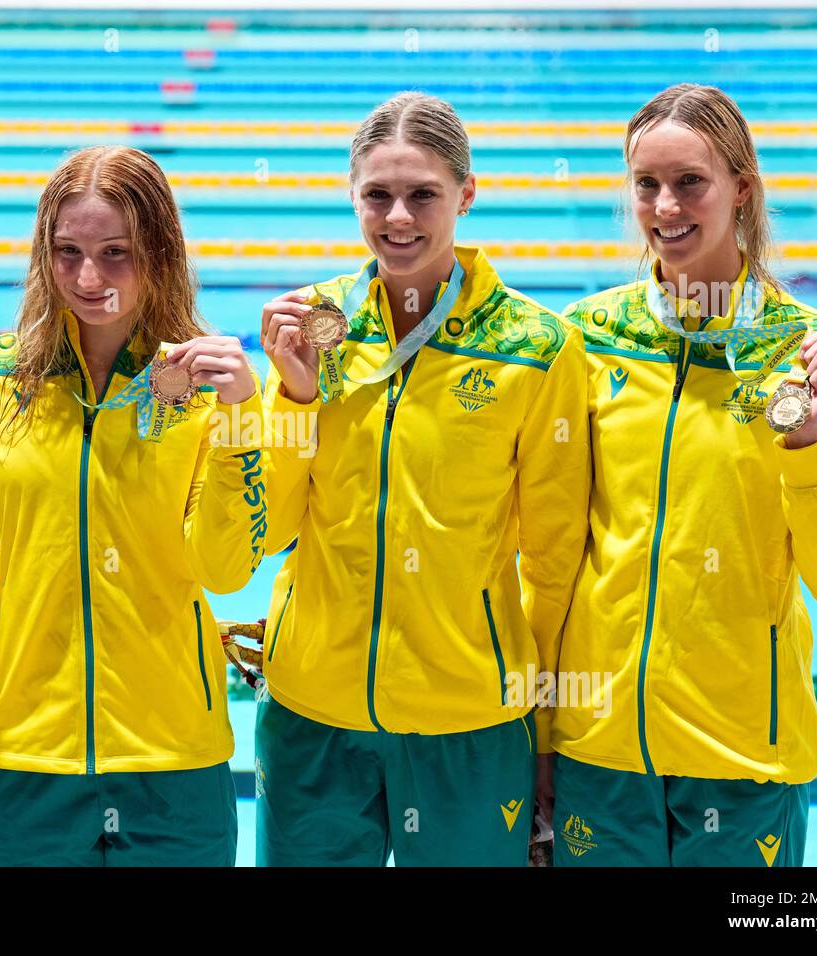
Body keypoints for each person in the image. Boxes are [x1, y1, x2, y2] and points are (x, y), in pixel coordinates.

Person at [256, 92, 590, 866]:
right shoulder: (312, 328)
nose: (397, 218)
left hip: (470, 720)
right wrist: (293, 396)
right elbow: (266, 529)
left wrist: (545, 732)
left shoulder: (538, 349)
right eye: (377, 194)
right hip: (313, 713)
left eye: (422, 195)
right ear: (352, 194)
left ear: (467, 195)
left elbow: (554, 562)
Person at [552, 84, 817, 866]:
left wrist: (806, 445)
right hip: (600, 752)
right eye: (646, 184)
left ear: (742, 188)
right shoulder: (584, 339)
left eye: (689, 181)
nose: (666, 205)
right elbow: (549, 550)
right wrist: (540, 735)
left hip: (744, 759)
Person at [0, 145, 265, 866]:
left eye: (116, 252)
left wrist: (241, 418)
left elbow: (225, 568)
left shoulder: (213, 388)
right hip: (30, 751)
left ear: (160, 250)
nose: (88, 278)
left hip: (174, 754)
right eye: (68, 252)